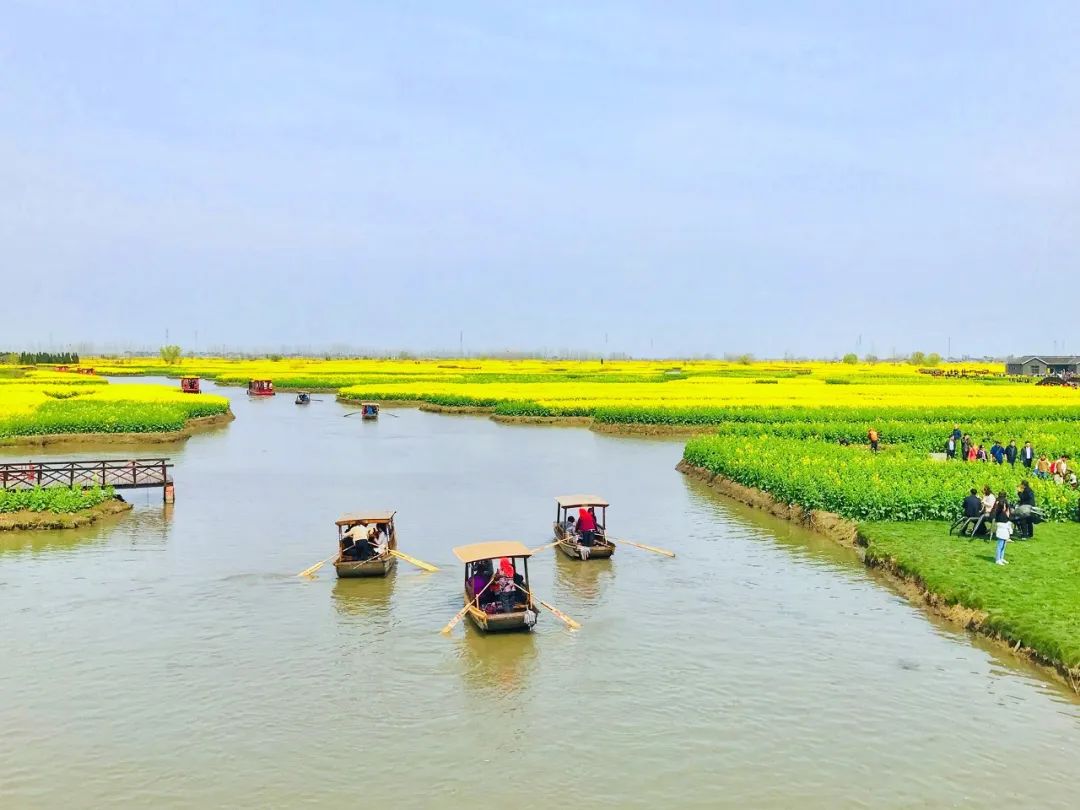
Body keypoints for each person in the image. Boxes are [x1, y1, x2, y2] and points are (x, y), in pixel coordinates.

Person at [993, 499, 1013, 566]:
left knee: (1003, 546)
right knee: (1000, 545)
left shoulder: (1002, 512)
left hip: (1004, 531)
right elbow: (1007, 520)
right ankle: (998, 559)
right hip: (1002, 531)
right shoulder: (1000, 513)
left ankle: (1001, 558)